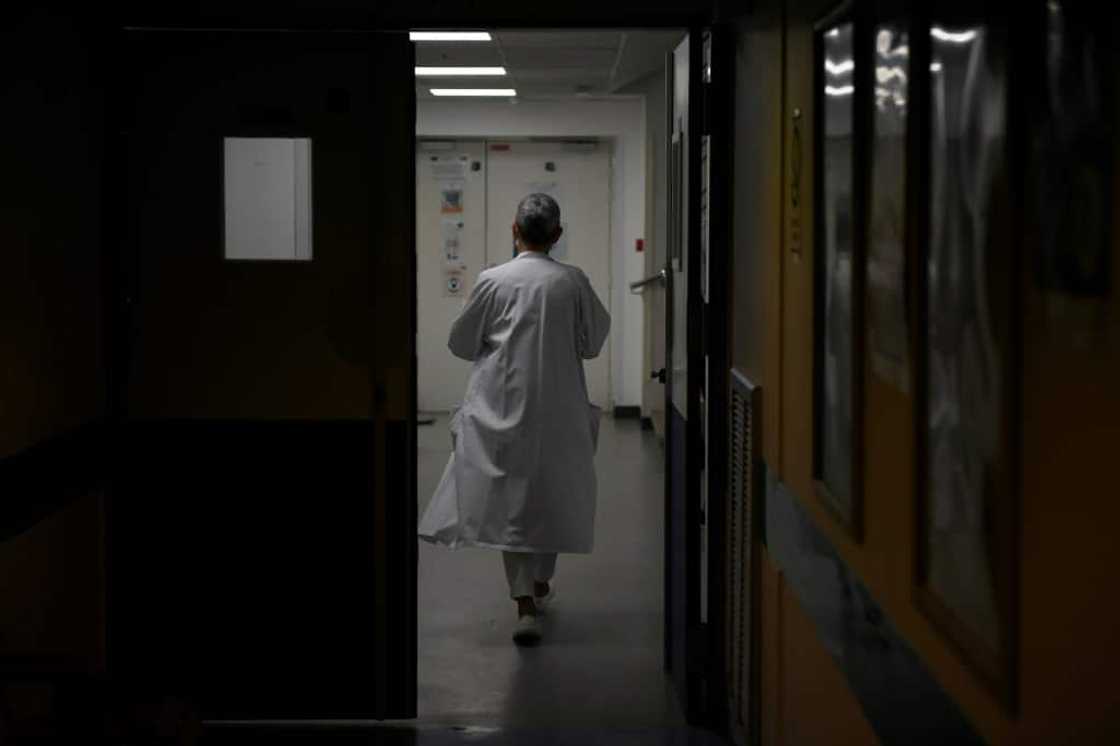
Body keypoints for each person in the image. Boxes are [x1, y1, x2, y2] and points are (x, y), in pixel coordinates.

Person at [418, 193, 610, 645]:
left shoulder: (492, 280)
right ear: (557, 236)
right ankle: (536, 585)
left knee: (512, 499)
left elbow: (461, 343)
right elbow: (593, 342)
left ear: (513, 230)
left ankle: (525, 598)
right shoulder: (573, 281)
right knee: (551, 493)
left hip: (500, 407)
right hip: (559, 409)